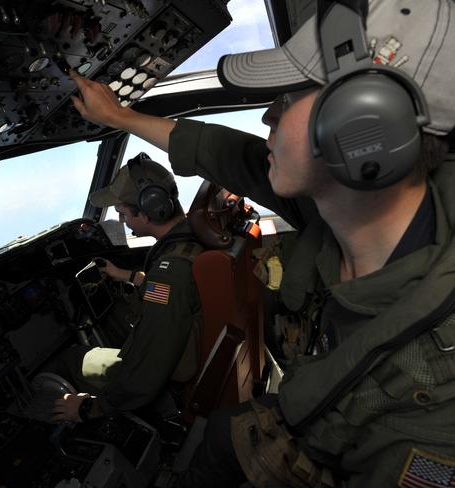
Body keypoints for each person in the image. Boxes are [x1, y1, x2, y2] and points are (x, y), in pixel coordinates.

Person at [67, 0, 455, 485]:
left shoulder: (435, 408)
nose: (269, 115)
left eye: (290, 97)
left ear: (363, 131)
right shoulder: (341, 212)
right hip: (296, 407)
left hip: (320, 443)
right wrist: (122, 117)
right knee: (225, 433)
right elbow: (229, 155)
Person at [52, 153, 204, 423]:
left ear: (150, 209)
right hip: (193, 348)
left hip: (172, 381)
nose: (122, 222)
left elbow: (147, 371)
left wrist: (90, 408)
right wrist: (127, 275)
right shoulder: (191, 240)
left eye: (122, 213)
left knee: (71, 359)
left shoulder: (170, 271)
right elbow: (180, 297)